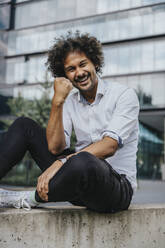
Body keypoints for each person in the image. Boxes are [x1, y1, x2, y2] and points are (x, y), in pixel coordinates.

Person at [0, 31, 139, 213]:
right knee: (24, 126)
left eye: (83, 64)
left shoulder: (123, 95)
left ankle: (29, 198)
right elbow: (55, 148)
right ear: (64, 75)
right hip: (77, 183)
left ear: (95, 63)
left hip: (115, 189)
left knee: (83, 160)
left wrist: (61, 163)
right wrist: (57, 101)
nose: (79, 73)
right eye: (71, 69)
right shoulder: (70, 101)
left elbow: (109, 146)